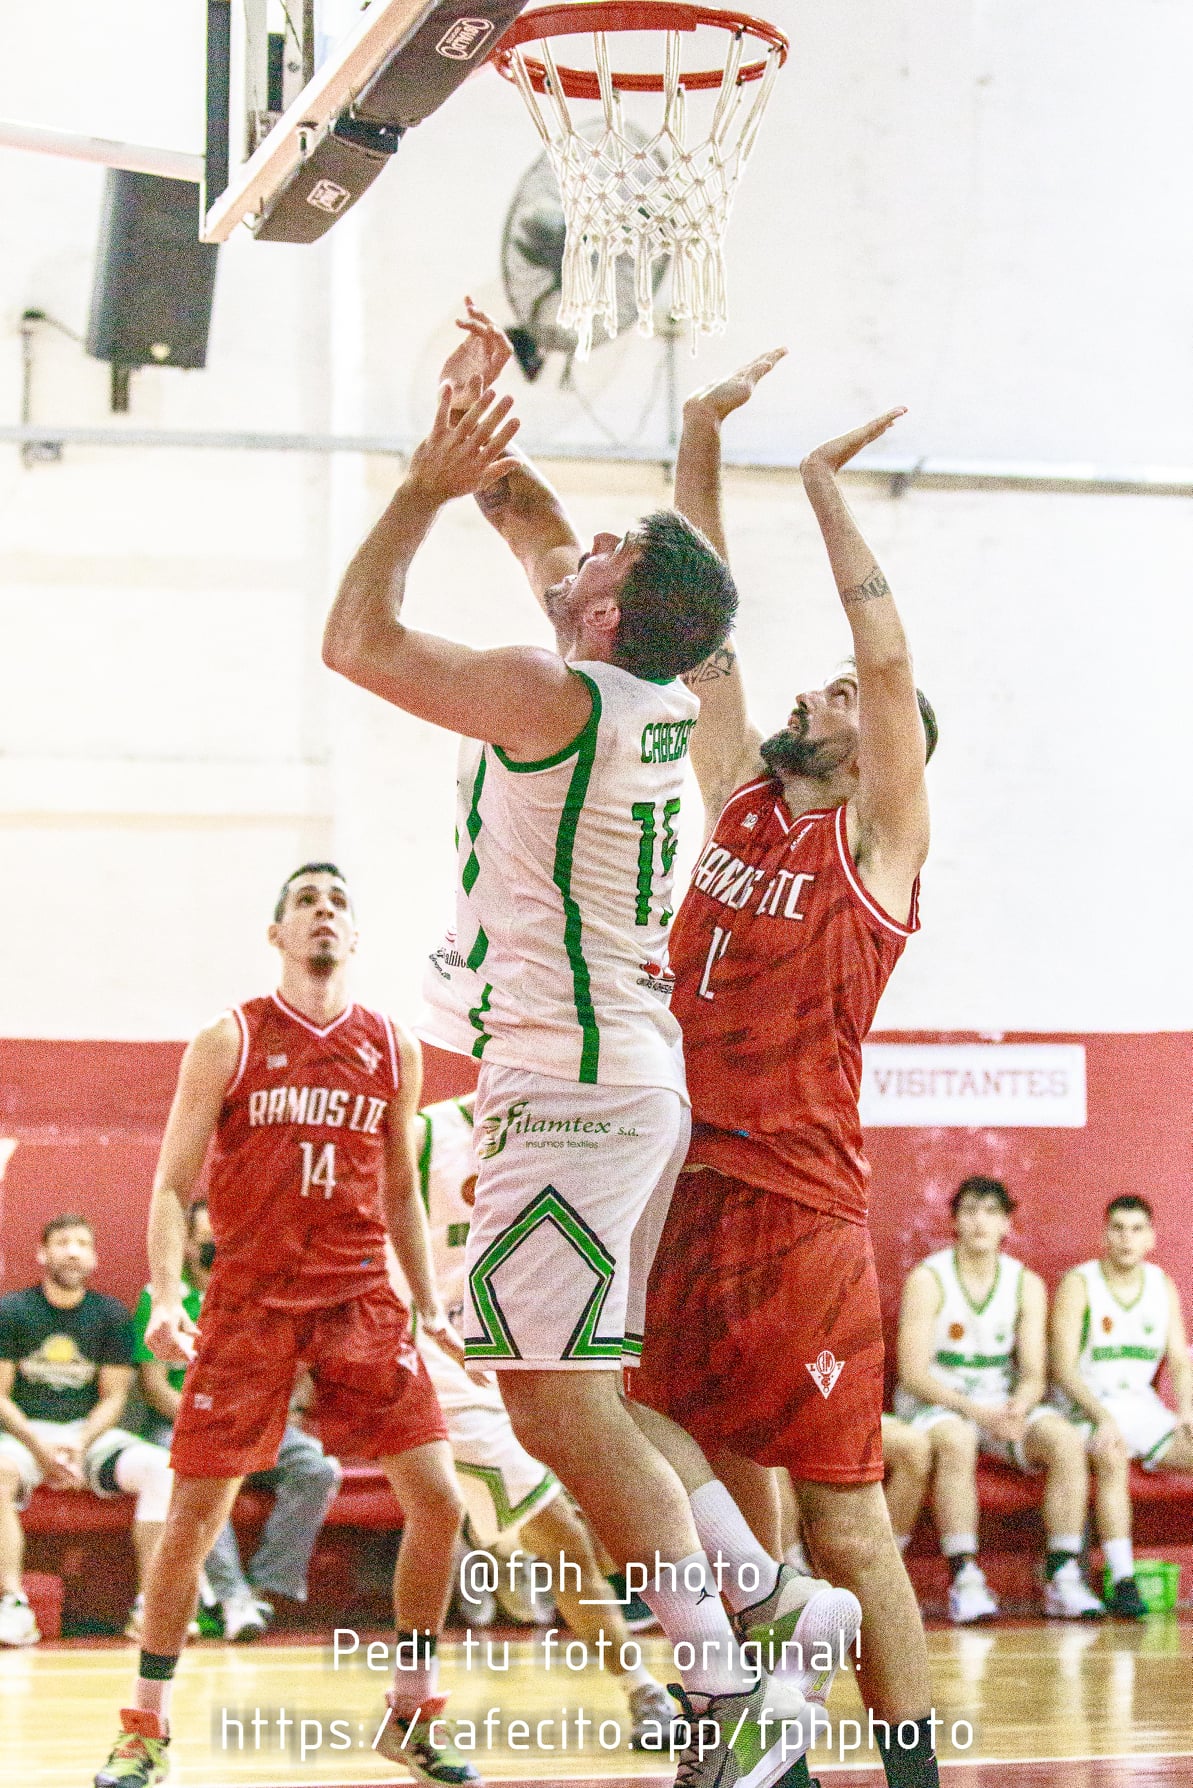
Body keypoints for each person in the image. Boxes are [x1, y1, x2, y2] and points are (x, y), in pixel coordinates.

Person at [324, 310, 858, 1788]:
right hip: (615, 1083)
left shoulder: (555, 698)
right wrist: (477, 426)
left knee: (557, 1409)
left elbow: (353, 640)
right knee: (590, 1397)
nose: (580, 552)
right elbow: (542, 520)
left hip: (568, 1092)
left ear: (613, 609)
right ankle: (764, 1597)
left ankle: (720, 1688)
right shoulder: (637, 689)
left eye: (605, 554)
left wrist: (422, 491)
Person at [629, 353, 942, 1788]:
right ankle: (768, 1740)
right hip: (686, 1191)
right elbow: (699, 625)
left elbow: (884, 668)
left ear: (875, 761)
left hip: (802, 1216)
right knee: (645, 1451)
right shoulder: (740, 800)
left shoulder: (873, 856)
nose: (807, 696)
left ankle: (915, 1768)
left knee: (848, 1524)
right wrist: (699, 438)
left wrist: (818, 488)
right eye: (806, 688)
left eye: (828, 700)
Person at [94, 864, 474, 1788]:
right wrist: (167, 1294)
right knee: (190, 1521)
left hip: (357, 1299)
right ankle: (145, 1725)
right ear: (278, 932)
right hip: (251, 1304)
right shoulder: (227, 1037)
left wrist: (426, 1303)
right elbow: (171, 1183)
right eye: (306, 901)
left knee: (440, 1502)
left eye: (338, 903)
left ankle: (412, 1709)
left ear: (354, 935)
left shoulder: (391, 1044)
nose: (323, 914)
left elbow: (400, 1192)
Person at [406, 1093, 678, 1747]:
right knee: (556, 1529)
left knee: (605, 1519)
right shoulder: (423, 1134)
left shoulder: (565, 1132)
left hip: (536, 1357)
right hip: (446, 1365)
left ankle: (705, 1677)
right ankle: (642, 1690)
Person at [895, 1176, 1104, 1622]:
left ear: (1007, 1223)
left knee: (1065, 1440)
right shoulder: (928, 1278)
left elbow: (1033, 1374)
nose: (979, 1222)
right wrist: (978, 1413)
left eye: (991, 1212)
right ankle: (965, 1576)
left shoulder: (1025, 1283)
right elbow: (912, 1373)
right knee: (956, 1439)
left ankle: (1062, 1573)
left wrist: (1020, 1407)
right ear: (953, 1220)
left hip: (997, 1402)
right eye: (969, 1211)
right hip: (939, 1402)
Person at [131, 1198, 341, 1640]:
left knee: (317, 1468)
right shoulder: (162, 1298)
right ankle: (230, 1597)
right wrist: (215, 1425)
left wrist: (269, 1415)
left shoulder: (259, 1293)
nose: (214, 1248)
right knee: (203, 1478)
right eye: (205, 1241)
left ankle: (267, 1589)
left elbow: (289, 1370)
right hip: (185, 1422)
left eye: (220, 1239)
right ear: (187, 1246)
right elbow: (155, 1387)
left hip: (255, 1421)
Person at [0, 1214, 173, 1646]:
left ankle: (151, 1607)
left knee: (162, 1469)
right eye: (62, 1242)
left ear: (94, 1258)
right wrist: (39, 1448)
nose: (72, 1250)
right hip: (25, 1433)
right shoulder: (11, 1311)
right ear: (42, 1254)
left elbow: (114, 1397)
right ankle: (13, 1603)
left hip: (88, 1434)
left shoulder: (111, 1314)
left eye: (82, 1243)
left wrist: (79, 1443)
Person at [1051, 1193, 1193, 1618]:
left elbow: (1180, 1359)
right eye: (1117, 1228)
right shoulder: (1081, 1283)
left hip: (1140, 1408)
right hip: (1085, 1408)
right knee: (1111, 1452)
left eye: (1136, 1229)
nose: (1126, 1238)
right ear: (1104, 1236)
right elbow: (1063, 1369)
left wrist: (1186, 1410)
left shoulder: (1160, 1284)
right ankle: (1123, 1578)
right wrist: (1102, 1417)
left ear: (1150, 1237)